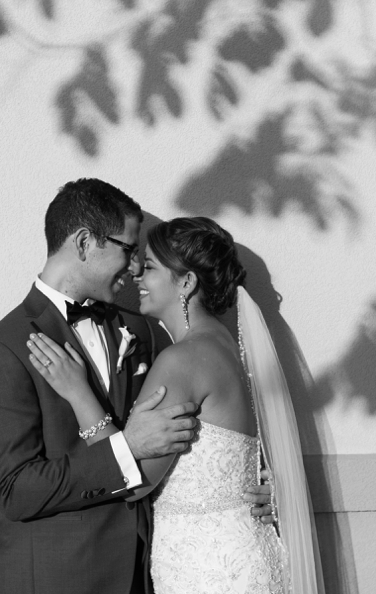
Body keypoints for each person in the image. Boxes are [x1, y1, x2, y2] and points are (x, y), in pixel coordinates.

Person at [0, 181, 273, 594]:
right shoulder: (3, 347)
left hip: (148, 572)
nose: (134, 269)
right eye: (128, 251)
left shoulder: (146, 331)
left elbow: (212, 422)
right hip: (52, 577)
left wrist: (262, 489)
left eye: (142, 259)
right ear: (83, 242)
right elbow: (15, 492)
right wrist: (126, 450)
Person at [27, 217, 324, 594]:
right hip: (248, 555)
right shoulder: (233, 349)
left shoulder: (182, 360)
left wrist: (78, 393)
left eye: (149, 267)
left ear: (186, 282)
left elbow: (133, 483)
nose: (137, 275)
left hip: (208, 570)